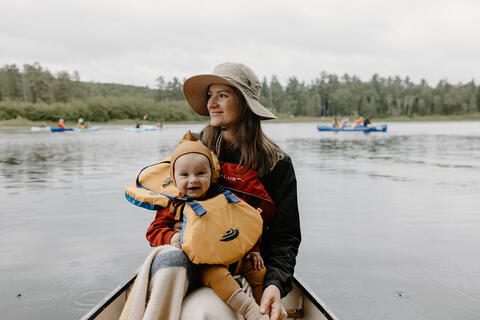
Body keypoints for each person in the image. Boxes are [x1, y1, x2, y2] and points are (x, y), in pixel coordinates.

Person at [181, 62, 300, 320]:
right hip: (201, 266)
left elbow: (285, 237)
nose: (212, 103)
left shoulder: (277, 163)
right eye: (210, 95)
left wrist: (274, 284)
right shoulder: (196, 151)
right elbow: (172, 208)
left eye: (222, 95)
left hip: (253, 266)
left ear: (245, 104)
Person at [147, 134, 268, 320]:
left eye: (200, 173)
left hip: (233, 256)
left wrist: (254, 248)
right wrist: (171, 237)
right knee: (218, 275)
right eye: (184, 175)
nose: (193, 180)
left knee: (258, 270)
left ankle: (265, 309)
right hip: (203, 264)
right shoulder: (174, 205)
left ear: (212, 174)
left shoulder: (223, 198)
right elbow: (153, 231)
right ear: (174, 178)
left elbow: (244, 223)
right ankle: (250, 311)